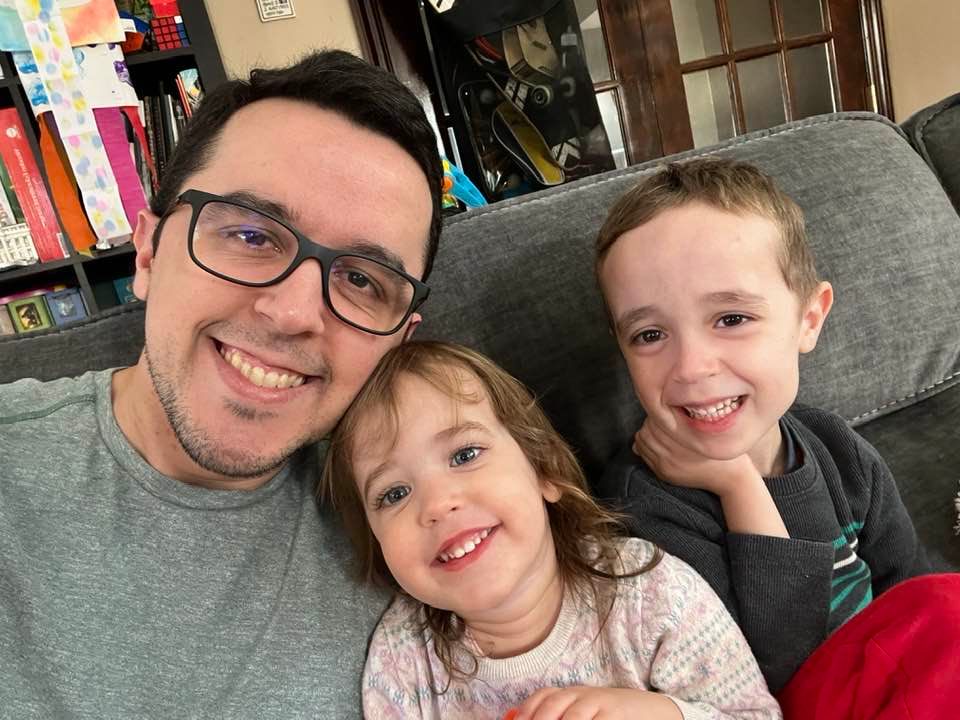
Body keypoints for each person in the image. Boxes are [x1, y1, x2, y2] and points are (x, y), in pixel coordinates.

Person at [0, 50, 442, 717]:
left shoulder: (427, 519)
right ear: (148, 254)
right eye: (251, 235)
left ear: (397, 341)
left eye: (360, 279)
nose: (293, 313)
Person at [592, 157, 930, 694]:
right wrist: (738, 485)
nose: (691, 367)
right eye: (649, 335)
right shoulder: (643, 514)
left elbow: (915, 591)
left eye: (731, 319)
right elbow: (775, 674)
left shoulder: (838, 449)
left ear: (808, 320)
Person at [323, 340, 782, 720]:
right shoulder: (403, 662)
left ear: (544, 471)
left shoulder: (649, 592)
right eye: (394, 493)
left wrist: (658, 714)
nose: (437, 505)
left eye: (464, 455)